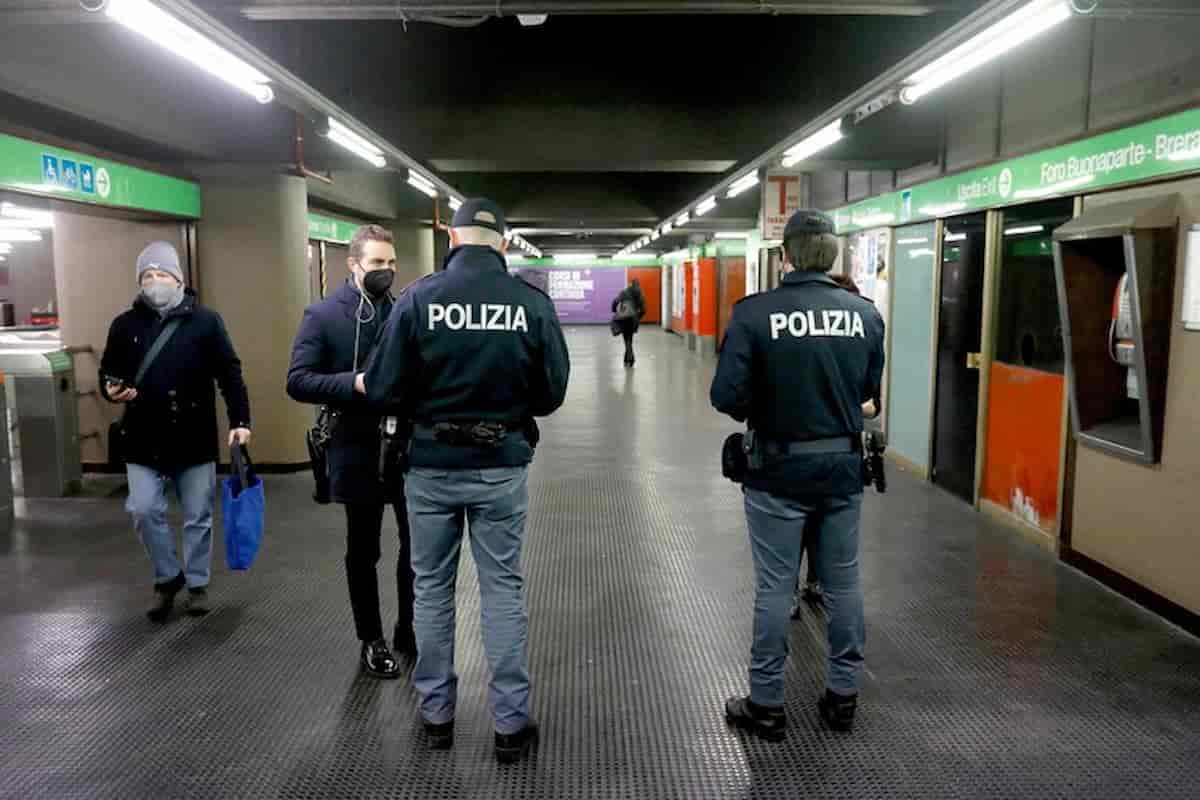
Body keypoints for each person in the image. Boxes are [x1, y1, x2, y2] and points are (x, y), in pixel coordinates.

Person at [358, 198, 569, 764]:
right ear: (502, 242)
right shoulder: (530, 304)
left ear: (451, 238)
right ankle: (510, 723)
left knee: (431, 590)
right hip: (501, 464)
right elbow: (551, 395)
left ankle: (436, 717)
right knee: (501, 589)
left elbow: (380, 387)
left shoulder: (419, 299)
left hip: (428, 467)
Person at [711, 209, 885, 739]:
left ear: (785, 254)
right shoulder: (865, 315)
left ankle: (766, 704)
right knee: (844, 582)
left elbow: (725, 397)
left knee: (773, 587)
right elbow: (865, 391)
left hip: (777, 471)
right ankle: (843, 696)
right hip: (840, 469)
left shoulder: (754, 314)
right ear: (833, 255)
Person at [286, 224, 415, 680]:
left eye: (391, 263)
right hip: (356, 445)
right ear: (354, 264)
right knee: (364, 549)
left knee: (414, 546)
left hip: (405, 447)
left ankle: (408, 627)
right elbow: (297, 380)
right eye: (377, 263)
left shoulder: (405, 312)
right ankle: (371, 638)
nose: (386, 271)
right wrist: (352, 383)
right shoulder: (322, 315)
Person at [100, 241, 251, 623]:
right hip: (142, 435)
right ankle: (168, 576)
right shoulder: (124, 325)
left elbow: (229, 373)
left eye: (162, 274)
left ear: (179, 279)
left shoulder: (205, 321)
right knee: (144, 508)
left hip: (192, 432)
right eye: (147, 276)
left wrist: (240, 421)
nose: (155, 282)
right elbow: (108, 371)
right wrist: (111, 389)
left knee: (197, 513)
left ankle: (197, 583)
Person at [611, 278, 647, 366]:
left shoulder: (624, 292)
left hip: (623, 318)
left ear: (630, 284)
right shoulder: (639, 293)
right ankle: (628, 358)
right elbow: (643, 310)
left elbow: (615, 301)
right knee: (629, 338)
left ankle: (630, 358)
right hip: (633, 318)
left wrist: (614, 311)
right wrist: (638, 317)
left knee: (627, 339)